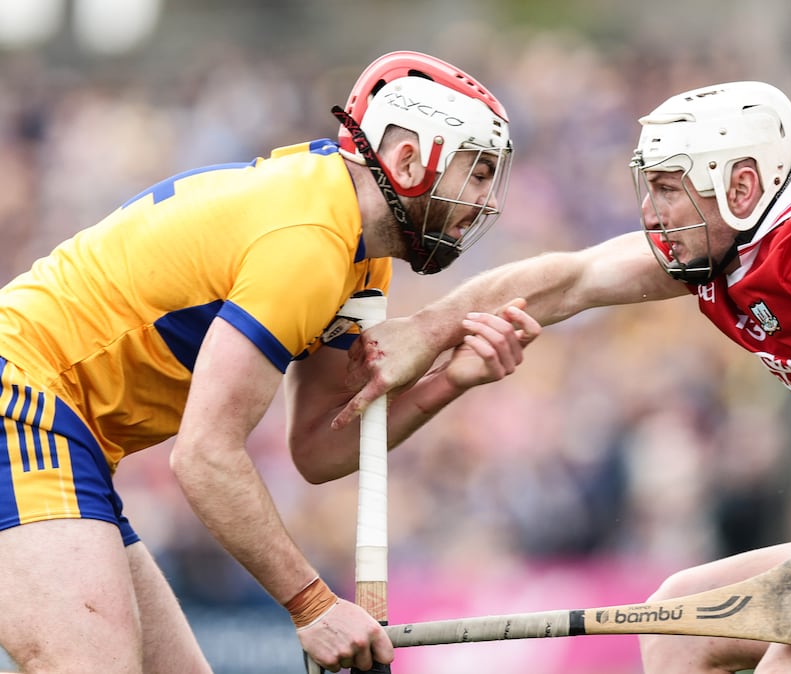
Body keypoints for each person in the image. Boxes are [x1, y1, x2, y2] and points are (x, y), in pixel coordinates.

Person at [337, 81, 791, 673]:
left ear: (744, 185)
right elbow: (570, 279)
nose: (653, 213)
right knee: (675, 628)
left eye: (669, 189)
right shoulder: (725, 240)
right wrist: (425, 332)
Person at [0, 50, 540, 674]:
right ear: (411, 161)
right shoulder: (308, 243)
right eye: (474, 174)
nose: (485, 201)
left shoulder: (358, 254)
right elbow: (204, 457)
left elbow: (318, 448)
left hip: (70, 438)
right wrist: (312, 605)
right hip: (21, 397)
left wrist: (448, 382)